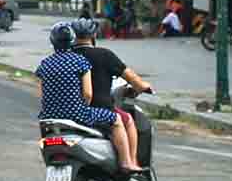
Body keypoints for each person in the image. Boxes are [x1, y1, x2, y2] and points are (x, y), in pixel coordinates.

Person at [36, 21, 141, 172]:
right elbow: (87, 93)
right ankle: (126, 162)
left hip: (49, 117)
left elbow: (42, 95)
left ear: (52, 42)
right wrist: (83, 107)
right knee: (116, 119)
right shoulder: (81, 62)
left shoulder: (44, 64)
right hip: (78, 113)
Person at [69, 18, 154, 167]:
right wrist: (143, 86)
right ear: (93, 35)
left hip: (69, 112)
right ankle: (130, 163)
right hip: (98, 110)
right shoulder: (104, 55)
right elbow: (132, 78)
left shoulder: (66, 57)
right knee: (127, 119)